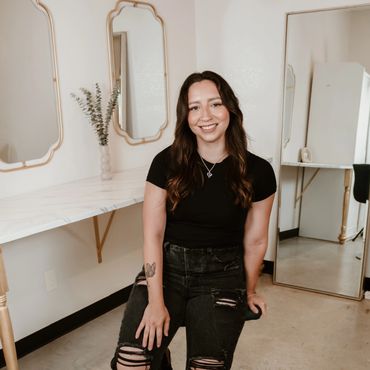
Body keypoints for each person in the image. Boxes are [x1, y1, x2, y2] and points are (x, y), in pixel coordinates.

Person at [111, 70, 276, 370]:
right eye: (195, 107)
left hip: (222, 275)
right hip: (168, 268)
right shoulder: (166, 162)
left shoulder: (259, 171)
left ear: (231, 109)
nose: (205, 115)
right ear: (185, 116)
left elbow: (256, 241)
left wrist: (250, 291)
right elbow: (153, 235)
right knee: (131, 362)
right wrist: (155, 302)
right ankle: (160, 358)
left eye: (215, 104)